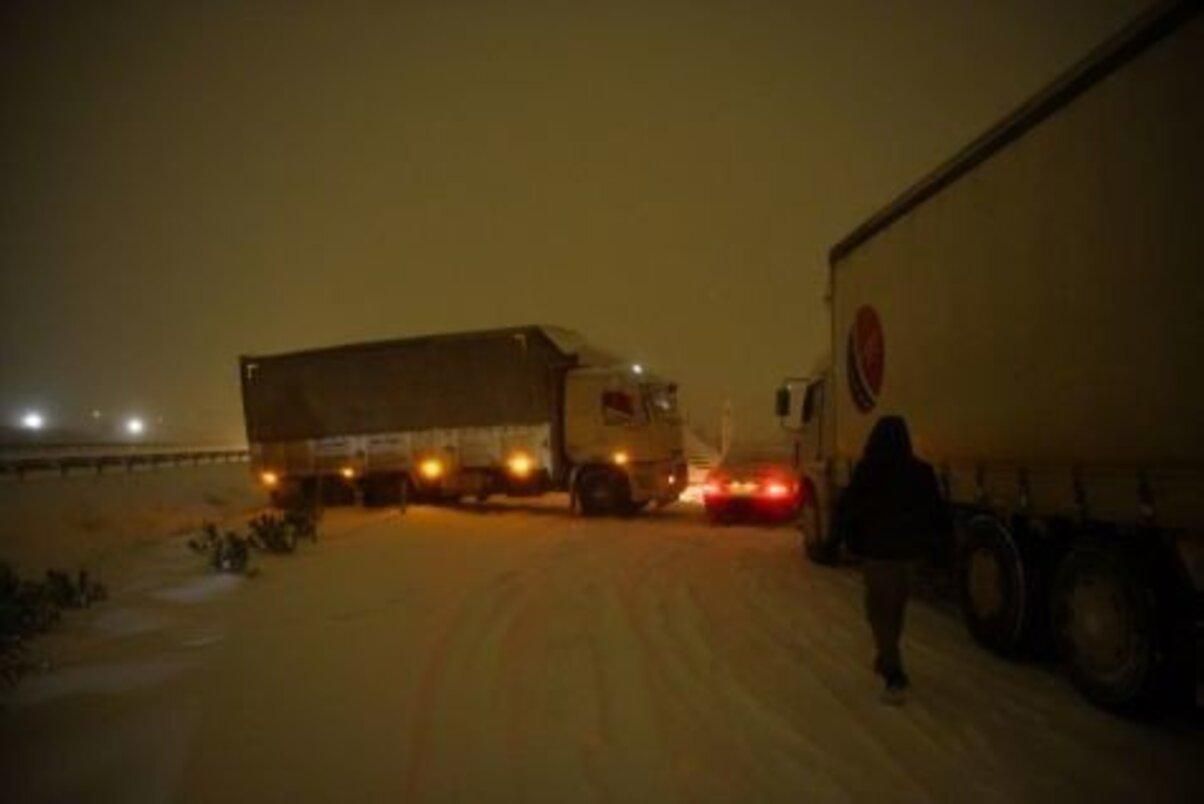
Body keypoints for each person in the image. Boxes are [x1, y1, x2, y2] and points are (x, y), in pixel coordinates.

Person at [834, 415, 949, 704]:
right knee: (896, 609)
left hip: (877, 554)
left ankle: (893, 670)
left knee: (878, 611)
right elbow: (935, 512)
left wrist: (845, 540)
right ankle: (888, 656)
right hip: (908, 553)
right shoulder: (921, 471)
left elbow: (849, 509)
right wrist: (936, 548)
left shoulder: (867, 470)